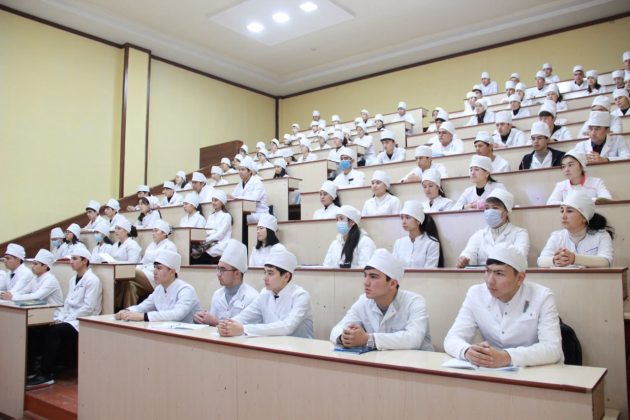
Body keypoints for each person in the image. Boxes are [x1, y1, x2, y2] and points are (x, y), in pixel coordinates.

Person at [445, 244, 563, 368]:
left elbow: (552, 349)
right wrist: (467, 351)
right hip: (492, 371)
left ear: (520, 278)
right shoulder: (476, 293)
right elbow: (452, 338)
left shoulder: (542, 296)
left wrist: (507, 357)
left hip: (536, 370)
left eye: (499, 273)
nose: (490, 281)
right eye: (487, 271)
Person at [26, 247, 102, 388]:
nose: (71, 262)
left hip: (84, 320)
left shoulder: (93, 280)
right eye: (71, 258)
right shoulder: (73, 279)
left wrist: (67, 319)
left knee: (54, 331)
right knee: (44, 327)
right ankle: (39, 367)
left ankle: (46, 374)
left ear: (85, 261)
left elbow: (88, 308)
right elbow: (67, 303)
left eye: (74, 259)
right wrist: (60, 317)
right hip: (70, 317)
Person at [330, 248, 433, 351]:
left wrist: (368, 339)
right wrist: (345, 337)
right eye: (365, 276)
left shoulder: (414, 302)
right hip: (380, 359)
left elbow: (413, 339)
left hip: (416, 360)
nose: (366, 282)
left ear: (392, 283)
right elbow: (336, 330)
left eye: (373, 277)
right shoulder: (363, 301)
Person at [218, 247, 314, 339]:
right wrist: (226, 325)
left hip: (301, 348)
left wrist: (244, 329)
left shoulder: (300, 296)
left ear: (286, 277)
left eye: (270, 273)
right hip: (272, 345)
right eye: (265, 272)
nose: (265, 278)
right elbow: (246, 316)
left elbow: (287, 327)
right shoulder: (265, 293)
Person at [116, 250, 201, 323]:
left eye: (159, 268)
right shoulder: (159, 289)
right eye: (154, 268)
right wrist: (127, 311)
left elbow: (177, 314)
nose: (154, 272)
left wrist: (143, 316)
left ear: (172, 272)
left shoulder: (186, 289)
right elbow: (143, 307)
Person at [538, 190, 614, 268]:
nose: (563, 216)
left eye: (569, 211)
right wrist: (555, 260)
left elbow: (606, 261)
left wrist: (574, 258)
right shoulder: (557, 236)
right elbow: (541, 261)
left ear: (584, 218)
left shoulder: (601, 235)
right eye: (562, 211)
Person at [457, 189, 529, 268]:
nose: (490, 211)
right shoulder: (479, 235)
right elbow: (469, 253)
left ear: (506, 212)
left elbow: (520, 258)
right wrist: (465, 260)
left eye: (495, 208)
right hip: (481, 274)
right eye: (487, 208)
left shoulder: (519, 233)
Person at [193, 240, 259, 326]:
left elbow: (246, 329)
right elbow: (211, 325)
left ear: (237, 274)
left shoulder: (252, 297)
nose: (218, 274)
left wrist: (216, 322)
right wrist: (201, 319)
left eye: (222, 270)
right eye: (218, 269)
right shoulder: (217, 294)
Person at [126, 220, 178, 307]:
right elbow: (142, 262)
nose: (153, 233)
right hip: (144, 274)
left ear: (164, 233)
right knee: (129, 286)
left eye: (156, 231)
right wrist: (139, 269)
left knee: (129, 271)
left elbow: (165, 267)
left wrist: (139, 270)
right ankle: (128, 311)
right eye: (152, 231)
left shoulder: (170, 246)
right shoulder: (151, 245)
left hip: (156, 277)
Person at [546, 150, 611, 204]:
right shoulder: (561, 185)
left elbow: (606, 198)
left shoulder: (596, 182)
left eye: (570, 165)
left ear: (581, 166)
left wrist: (575, 202)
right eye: (563, 166)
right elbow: (551, 202)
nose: (566, 169)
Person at [393, 201, 442, 268]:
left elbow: (430, 270)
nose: (403, 222)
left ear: (418, 221)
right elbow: (394, 267)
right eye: (402, 218)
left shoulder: (431, 243)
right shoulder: (399, 243)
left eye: (407, 217)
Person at [195, 190, 232, 264]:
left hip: (220, 244)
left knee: (200, 256)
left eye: (216, 200)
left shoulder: (226, 216)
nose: (213, 202)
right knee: (193, 252)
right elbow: (206, 231)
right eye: (212, 200)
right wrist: (211, 234)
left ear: (222, 202)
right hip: (208, 243)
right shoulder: (211, 216)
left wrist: (208, 238)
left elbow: (220, 234)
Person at [229, 156, 269, 223]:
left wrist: (236, 198)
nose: (240, 172)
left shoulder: (257, 183)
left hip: (259, 213)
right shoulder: (239, 185)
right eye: (239, 170)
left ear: (250, 171)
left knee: (240, 219)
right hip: (245, 212)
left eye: (242, 170)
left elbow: (254, 198)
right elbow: (233, 196)